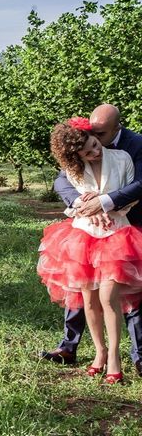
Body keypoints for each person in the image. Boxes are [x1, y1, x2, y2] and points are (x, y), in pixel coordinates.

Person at [38, 115, 142, 382]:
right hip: (84, 237)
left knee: (109, 298)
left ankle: (116, 357)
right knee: (88, 300)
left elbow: (134, 190)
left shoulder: (123, 157)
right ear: (77, 155)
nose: (95, 152)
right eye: (88, 152)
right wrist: (85, 208)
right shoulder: (73, 169)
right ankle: (100, 352)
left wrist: (105, 203)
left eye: (96, 145)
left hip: (118, 235)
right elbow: (66, 187)